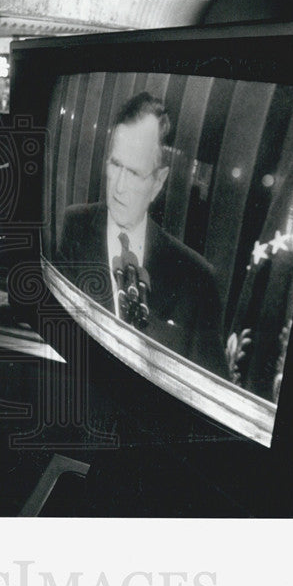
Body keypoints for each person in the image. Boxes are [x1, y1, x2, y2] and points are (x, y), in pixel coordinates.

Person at [57, 92, 226, 375]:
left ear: (158, 182)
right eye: (115, 164)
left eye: (134, 173)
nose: (119, 186)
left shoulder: (197, 280)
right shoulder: (72, 226)